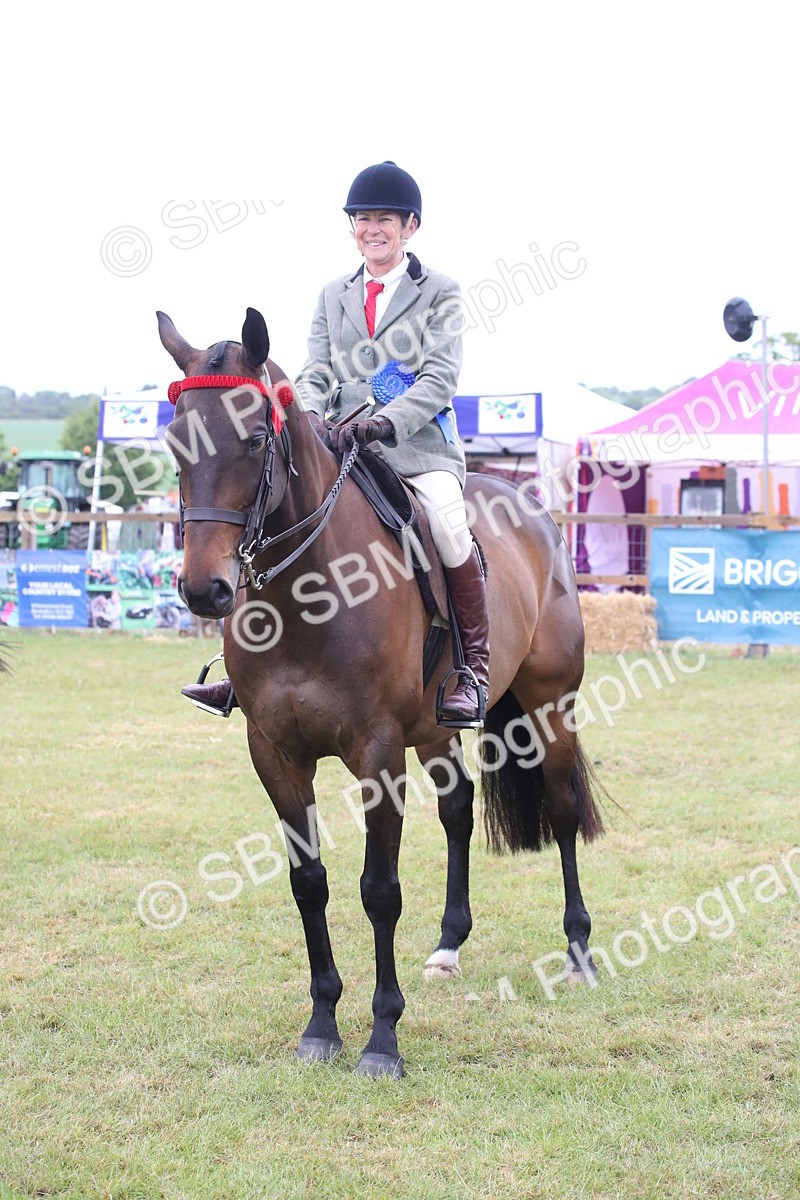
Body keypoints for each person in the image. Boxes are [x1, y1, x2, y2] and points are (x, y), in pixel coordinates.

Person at [182, 161, 489, 727]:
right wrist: (314, 412)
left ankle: (471, 668)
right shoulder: (333, 293)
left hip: (416, 446)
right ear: (353, 228)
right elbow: (315, 370)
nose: (373, 229)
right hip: (337, 440)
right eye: (363, 219)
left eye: (385, 220)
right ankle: (245, 667)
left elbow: (439, 377)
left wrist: (386, 422)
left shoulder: (439, 292)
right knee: (273, 515)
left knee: (447, 524)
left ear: (410, 227)